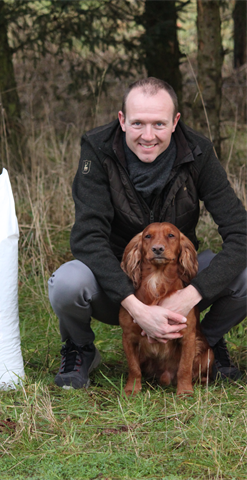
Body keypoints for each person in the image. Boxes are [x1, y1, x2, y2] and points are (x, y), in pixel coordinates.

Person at [48, 77, 247, 389]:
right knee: (67, 283)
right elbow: (88, 238)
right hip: (118, 280)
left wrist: (189, 296)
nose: (148, 135)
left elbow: (241, 233)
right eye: (138, 123)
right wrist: (136, 307)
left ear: (175, 122)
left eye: (159, 124)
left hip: (178, 279)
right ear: (122, 120)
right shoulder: (99, 152)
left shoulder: (198, 152)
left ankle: (201, 342)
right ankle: (80, 348)